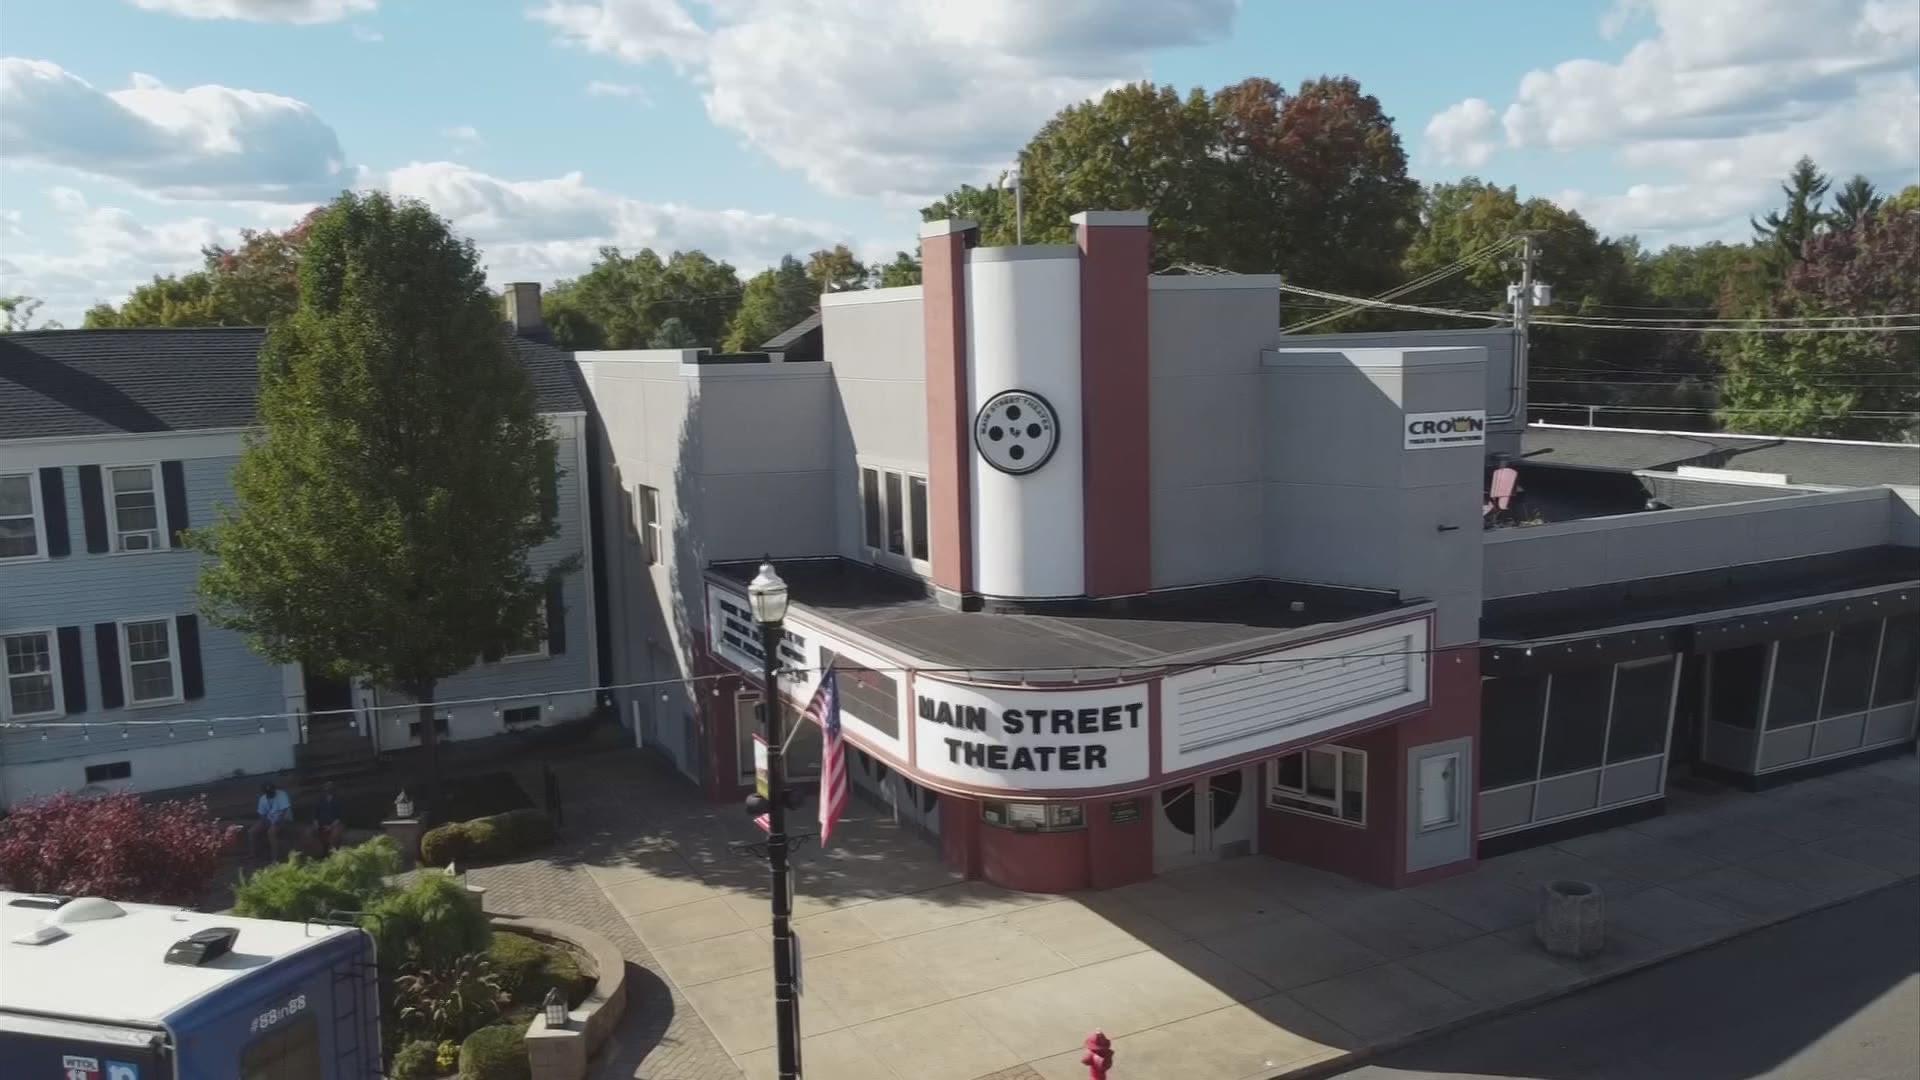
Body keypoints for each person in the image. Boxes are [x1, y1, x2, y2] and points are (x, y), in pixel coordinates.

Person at [252, 781, 294, 861]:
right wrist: (265, 821)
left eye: (271, 792)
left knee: (271, 832)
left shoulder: (282, 794)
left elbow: (284, 811)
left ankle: (275, 858)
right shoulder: (263, 799)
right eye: (268, 793)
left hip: (284, 818)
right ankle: (254, 855)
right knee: (252, 832)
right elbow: (261, 813)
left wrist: (276, 823)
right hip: (269, 819)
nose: (271, 794)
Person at [313, 782, 347, 853]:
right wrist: (316, 825)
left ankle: (333, 851)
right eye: (325, 790)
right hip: (322, 825)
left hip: (335, 824)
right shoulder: (320, 801)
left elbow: (339, 818)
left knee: (334, 835)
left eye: (328, 790)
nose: (326, 792)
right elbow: (315, 815)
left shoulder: (338, 800)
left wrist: (330, 826)